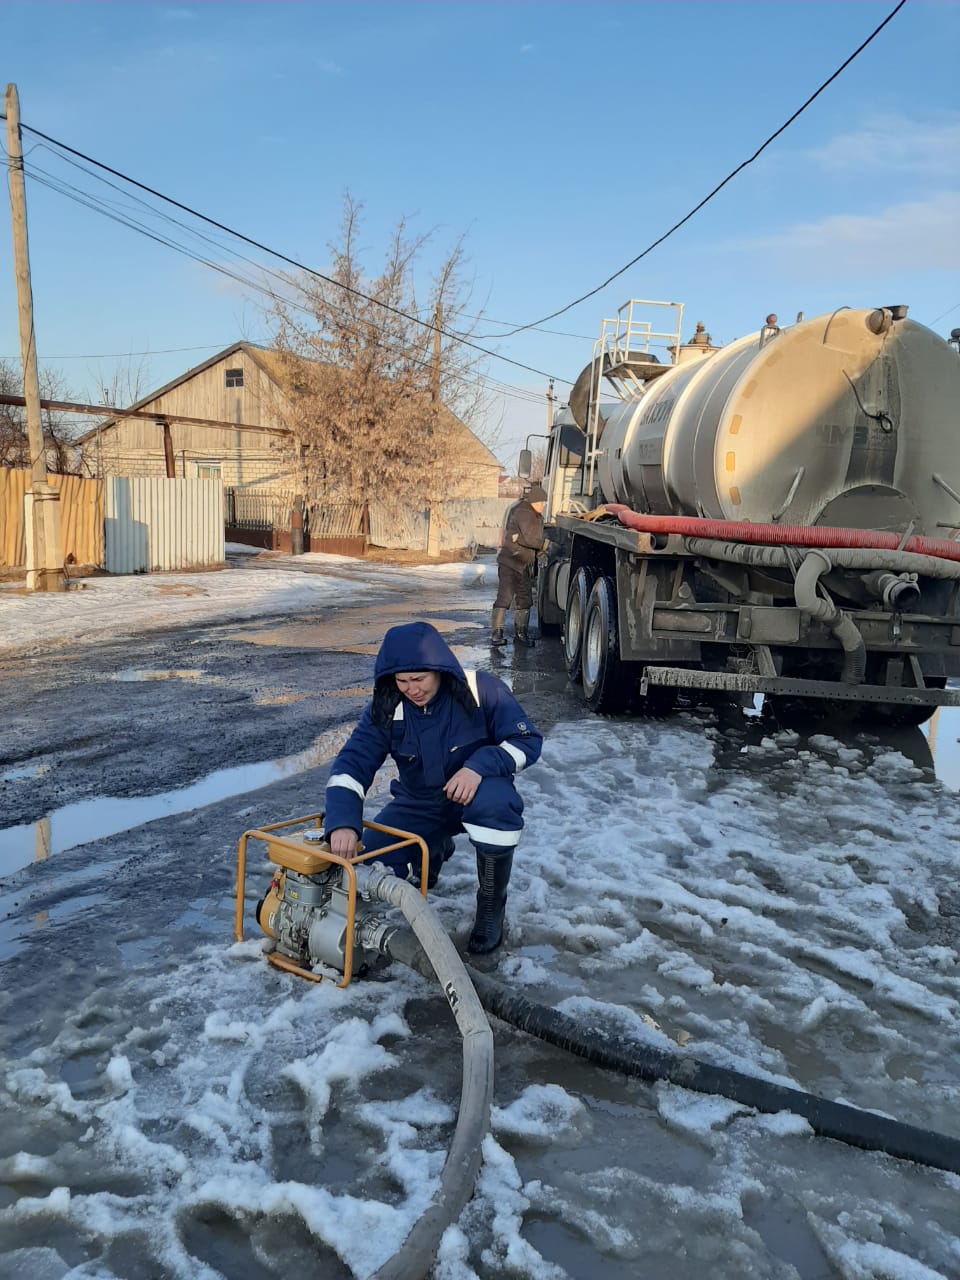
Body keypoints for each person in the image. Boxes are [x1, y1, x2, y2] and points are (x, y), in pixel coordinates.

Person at [324, 621, 542, 954]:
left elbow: (526, 741)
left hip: (478, 795)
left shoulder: (481, 689)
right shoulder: (387, 706)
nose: (412, 689)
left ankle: (490, 908)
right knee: (364, 868)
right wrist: (342, 822)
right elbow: (352, 764)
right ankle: (434, 847)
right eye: (402, 681)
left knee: (497, 806)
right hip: (419, 804)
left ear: (439, 669)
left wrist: (477, 767)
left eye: (419, 679)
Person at [492, 483, 547, 647]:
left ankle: (521, 634)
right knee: (505, 597)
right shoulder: (524, 512)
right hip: (510, 562)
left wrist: (539, 553)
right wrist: (546, 545)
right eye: (540, 502)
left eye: (544, 503)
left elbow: (530, 540)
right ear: (533, 501)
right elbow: (529, 539)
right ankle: (496, 634)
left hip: (523, 564)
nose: (543, 505)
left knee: (525, 599)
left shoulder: (536, 515)